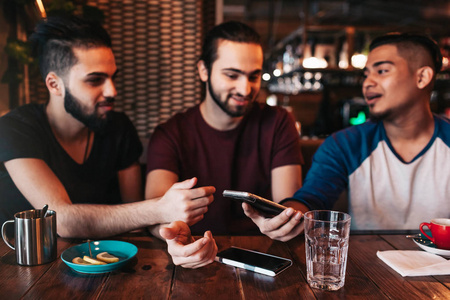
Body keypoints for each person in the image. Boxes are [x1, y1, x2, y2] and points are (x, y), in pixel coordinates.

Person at [0, 16, 215, 240]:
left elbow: (136, 222)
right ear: (54, 85)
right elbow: (60, 219)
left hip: (102, 264)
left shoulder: (118, 128)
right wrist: (161, 208)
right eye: (95, 80)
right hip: (20, 267)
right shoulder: (16, 129)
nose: (112, 91)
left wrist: (173, 237)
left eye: (113, 78)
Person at [145, 21, 307, 267]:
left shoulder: (278, 122)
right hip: (196, 253)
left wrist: (283, 222)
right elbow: (156, 212)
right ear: (203, 70)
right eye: (232, 75)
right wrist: (172, 234)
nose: (245, 88)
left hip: (264, 255)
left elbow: (288, 202)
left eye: (254, 76)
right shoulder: (170, 133)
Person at [289, 33, 450, 230]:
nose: (367, 83)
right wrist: (285, 216)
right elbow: (312, 200)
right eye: (366, 75)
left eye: (381, 71)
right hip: (365, 260)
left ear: (422, 77)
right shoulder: (345, 144)